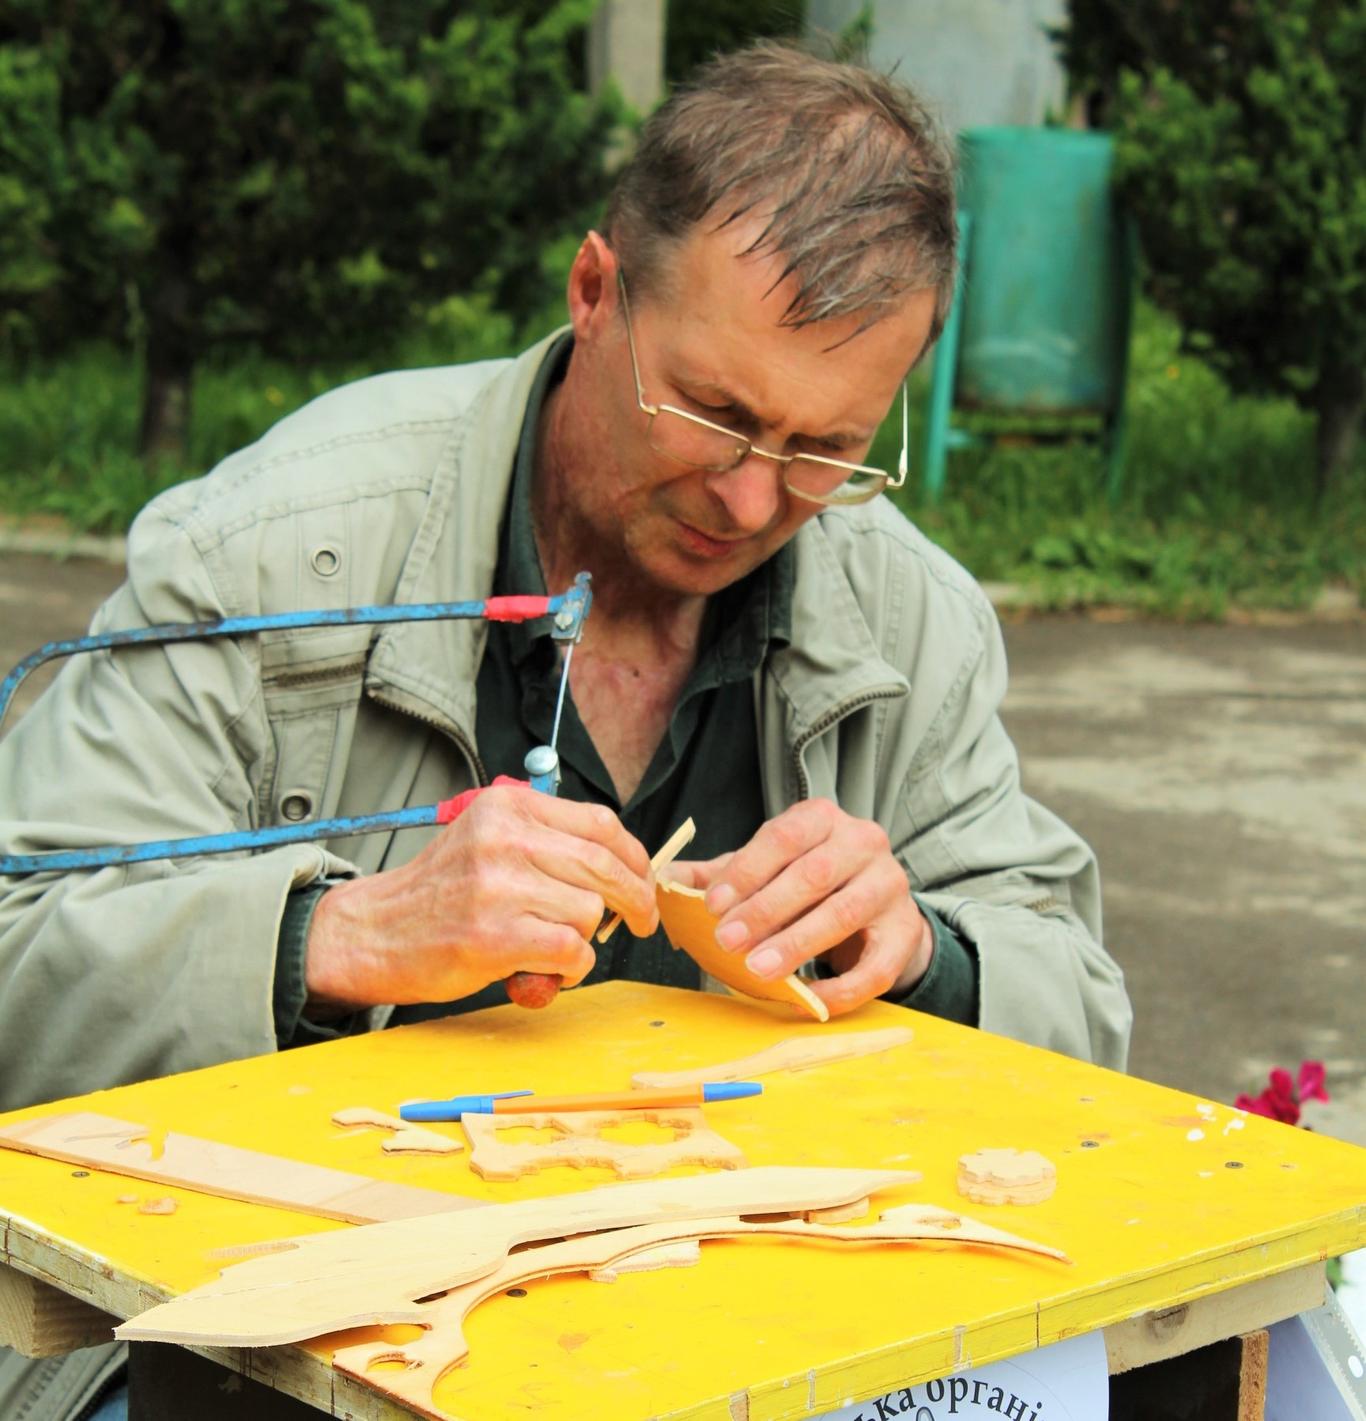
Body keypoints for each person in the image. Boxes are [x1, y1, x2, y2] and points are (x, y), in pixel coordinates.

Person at [0, 42, 1130, 1419]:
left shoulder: (908, 614)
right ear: (595, 291)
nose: (753, 498)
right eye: (714, 412)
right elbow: (18, 948)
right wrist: (332, 939)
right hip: (254, 1352)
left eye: (827, 448)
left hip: (737, 1349)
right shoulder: (275, 549)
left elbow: (1079, 1004)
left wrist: (922, 955)